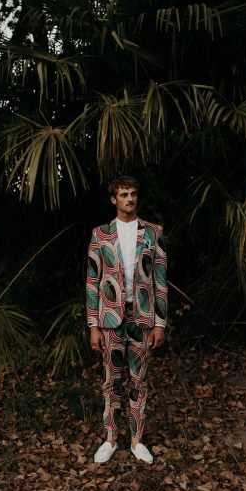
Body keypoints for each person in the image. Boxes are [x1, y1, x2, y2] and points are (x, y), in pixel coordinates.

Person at [86, 176, 168, 464]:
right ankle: (110, 438)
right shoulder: (100, 234)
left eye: (133, 193)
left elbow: (160, 281)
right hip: (110, 319)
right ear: (114, 199)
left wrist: (160, 323)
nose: (129, 198)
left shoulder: (153, 232)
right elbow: (92, 282)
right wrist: (93, 325)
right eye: (123, 194)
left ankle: (136, 440)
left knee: (139, 381)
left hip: (142, 318)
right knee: (111, 381)